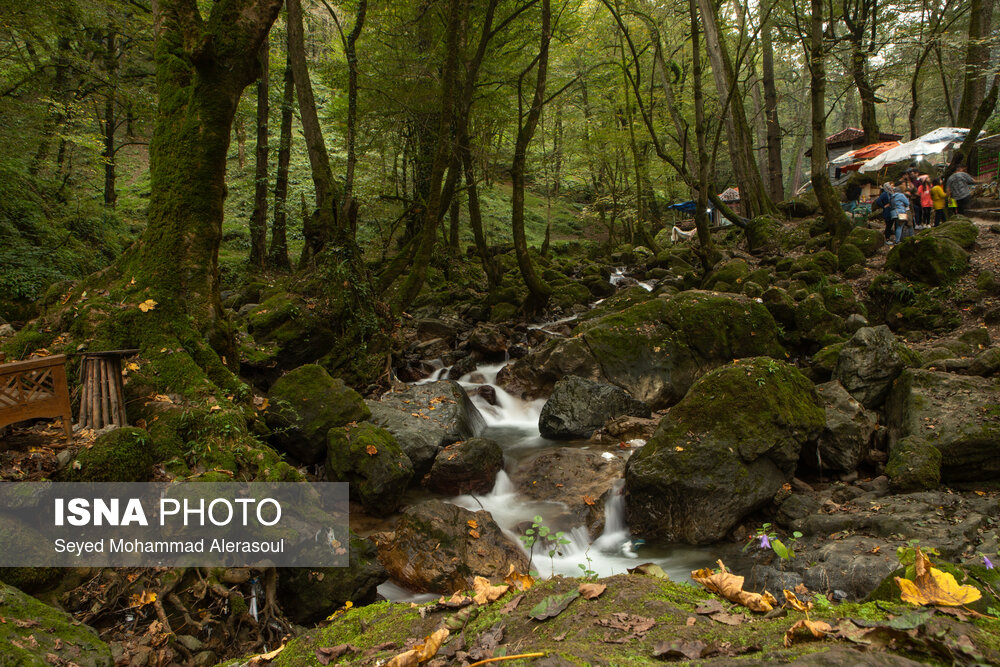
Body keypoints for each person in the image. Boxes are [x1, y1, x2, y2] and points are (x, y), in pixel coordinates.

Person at [891, 180, 913, 244]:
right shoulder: (901, 195)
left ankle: (897, 239)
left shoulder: (892, 197)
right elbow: (907, 203)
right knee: (900, 227)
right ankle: (898, 240)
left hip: (894, 213)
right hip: (901, 212)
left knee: (897, 226)